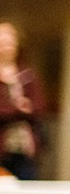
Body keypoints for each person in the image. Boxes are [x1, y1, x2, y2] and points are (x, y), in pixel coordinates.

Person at [0, 21, 48, 181]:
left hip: (25, 150)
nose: (7, 45)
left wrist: (12, 109)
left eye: (10, 40)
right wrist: (19, 109)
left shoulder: (28, 76)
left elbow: (39, 108)